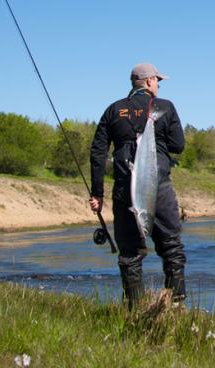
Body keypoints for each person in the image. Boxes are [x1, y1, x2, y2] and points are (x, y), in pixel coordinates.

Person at [89, 62, 186, 308]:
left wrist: (97, 193)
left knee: (129, 254)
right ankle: (176, 305)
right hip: (159, 187)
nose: (159, 86)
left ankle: (133, 309)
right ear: (150, 81)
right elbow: (178, 145)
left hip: (124, 190)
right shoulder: (165, 107)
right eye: (158, 81)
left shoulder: (113, 110)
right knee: (171, 246)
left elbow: (98, 153)